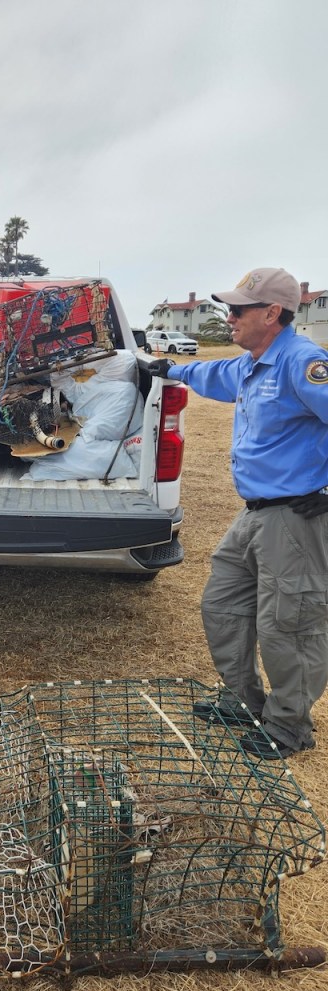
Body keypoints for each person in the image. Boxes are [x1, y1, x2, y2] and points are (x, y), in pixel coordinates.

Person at [149, 267, 328, 760]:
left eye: (238, 310)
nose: (228, 318)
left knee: (288, 622)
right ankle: (242, 700)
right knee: (223, 602)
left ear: (272, 313)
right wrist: (164, 368)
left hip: (296, 514)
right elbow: (210, 373)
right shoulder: (254, 362)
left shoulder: (302, 362)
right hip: (256, 513)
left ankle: (290, 726)